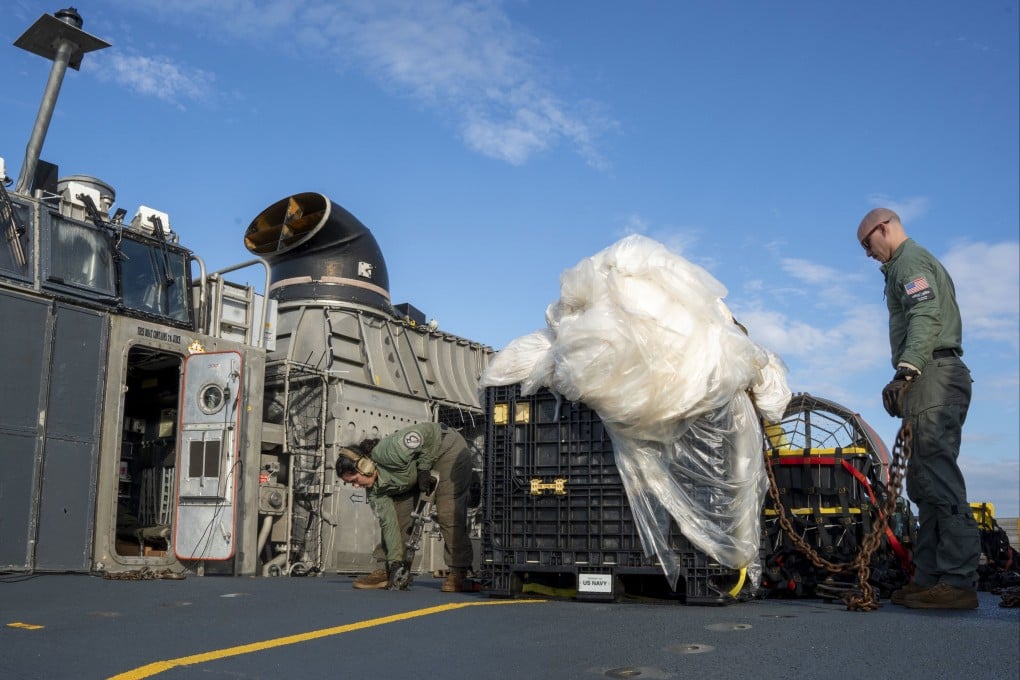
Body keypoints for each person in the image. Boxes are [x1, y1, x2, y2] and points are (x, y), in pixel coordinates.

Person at [857, 207, 981, 610]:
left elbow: (925, 313)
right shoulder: (901, 267)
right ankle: (929, 577)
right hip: (930, 375)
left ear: (884, 228)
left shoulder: (909, 261)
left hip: (935, 373)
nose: (868, 253)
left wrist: (907, 371)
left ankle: (958, 581)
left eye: (867, 243)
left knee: (938, 478)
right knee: (923, 482)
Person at [336, 422, 474, 592]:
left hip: (446, 450)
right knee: (399, 512)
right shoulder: (374, 492)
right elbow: (389, 524)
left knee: (448, 511)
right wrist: (395, 563)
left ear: (365, 466)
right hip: (413, 472)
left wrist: (424, 469)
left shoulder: (390, 450)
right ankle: (391, 571)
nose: (356, 486)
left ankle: (458, 572)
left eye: (354, 480)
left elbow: (428, 432)